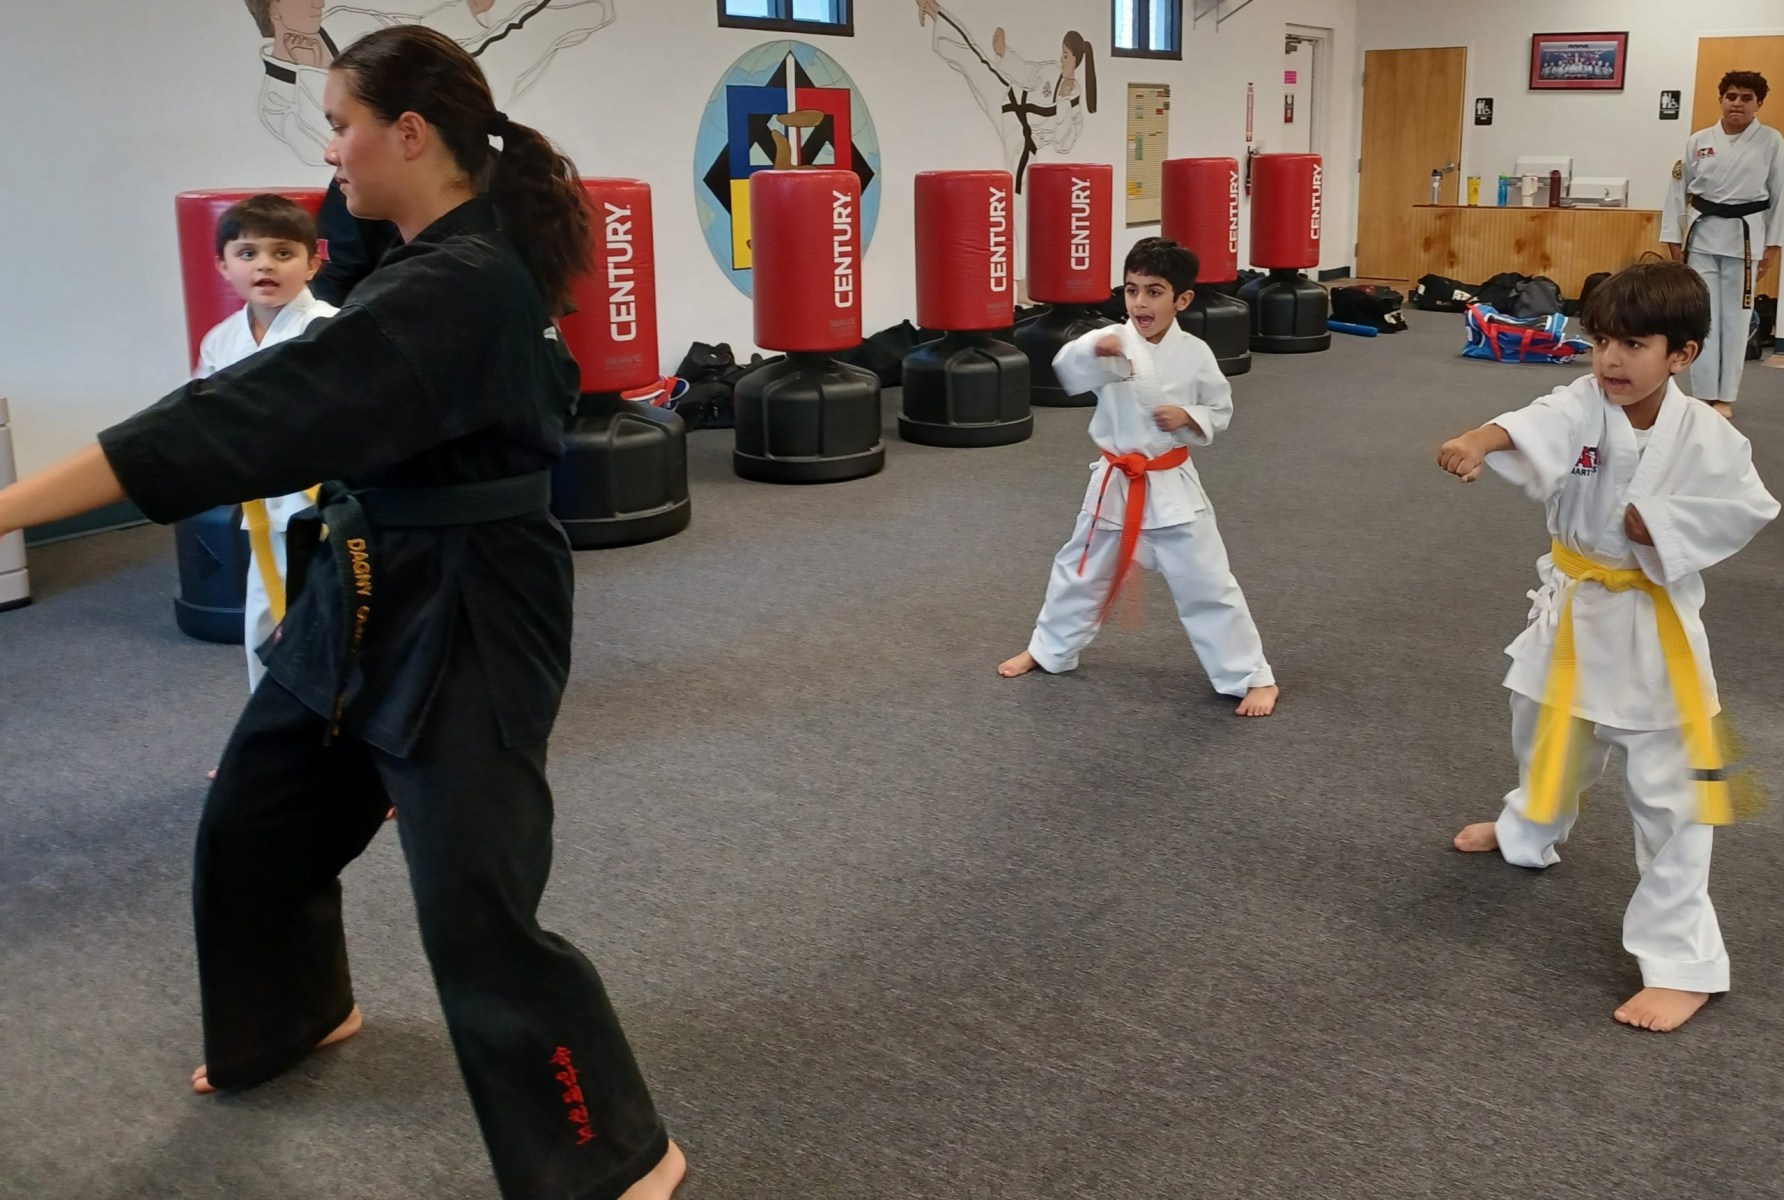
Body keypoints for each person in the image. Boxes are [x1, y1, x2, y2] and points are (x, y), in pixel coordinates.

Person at [0, 25, 682, 1199]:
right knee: (257, 823)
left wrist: (8, 507)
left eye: (340, 126)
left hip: (474, 598)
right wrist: (349, 126)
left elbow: (240, 415)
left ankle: (610, 1155)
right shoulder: (431, 238)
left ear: (409, 134)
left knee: (473, 902)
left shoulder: (458, 283)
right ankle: (291, 1015)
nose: (327, 153)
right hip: (369, 575)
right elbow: (349, 236)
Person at [1438, 261, 1778, 1034]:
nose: (1611, 361)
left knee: (1672, 797)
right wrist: (1476, 439)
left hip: (1652, 631)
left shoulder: (1709, 437)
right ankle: (1528, 830)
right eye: (1600, 343)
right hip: (1573, 609)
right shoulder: (1582, 402)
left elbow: (1746, 508)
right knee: (1542, 736)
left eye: (1634, 345)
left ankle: (1683, 965)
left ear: (1683, 354)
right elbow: (1532, 423)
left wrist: (1659, 525)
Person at [997, 238, 1279, 718]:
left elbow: (1220, 409)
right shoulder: (1112, 340)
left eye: (1154, 292)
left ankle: (1251, 677)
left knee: (1208, 584)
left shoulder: (1195, 354)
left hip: (1170, 488)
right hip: (1114, 483)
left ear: (1182, 300)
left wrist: (1187, 417)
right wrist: (1094, 347)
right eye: (1132, 291)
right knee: (1079, 571)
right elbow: (1067, 367)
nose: (1140, 303)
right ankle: (1050, 649)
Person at [197, 194, 337, 691]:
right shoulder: (221, 339)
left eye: (283, 253)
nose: (265, 265)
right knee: (264, 618)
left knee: (331, 620)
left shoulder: (329, 327)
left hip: (329, 506)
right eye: (247, 253)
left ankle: (339, 727)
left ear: (312, 263)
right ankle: (270, 729)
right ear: (222, 265)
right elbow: (203, 418)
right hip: (264, 506)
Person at [914, 0, 1096, 289]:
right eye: (1061, 53)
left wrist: (1064, 101)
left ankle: (1022, 281)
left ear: (1076, 60)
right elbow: (1025, 72)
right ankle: (937, 12)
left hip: (1023, 141)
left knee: (1020, 207)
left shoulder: (1072, 97)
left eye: (1066, 55)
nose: (1061, 59)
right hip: (1008, 102)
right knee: (976, 62)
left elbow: (1063, 142)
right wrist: (1003, 52)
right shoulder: (1049, 71)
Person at [1660, 70, 1784, 416]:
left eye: (1746, 98)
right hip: (1702, 237)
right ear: (1721, 100)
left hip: (1746, 239)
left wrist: (1774, 245)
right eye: (1731, 96)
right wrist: (1673, 238)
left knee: (1737, 319)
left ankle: (1725, 396)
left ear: (1758, 104)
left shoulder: (1771, 141)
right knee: (1704, 317)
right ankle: (1703, 393)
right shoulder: (1699, 141)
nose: (1737, 104)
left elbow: (1780, 195)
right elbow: (1676, 191)